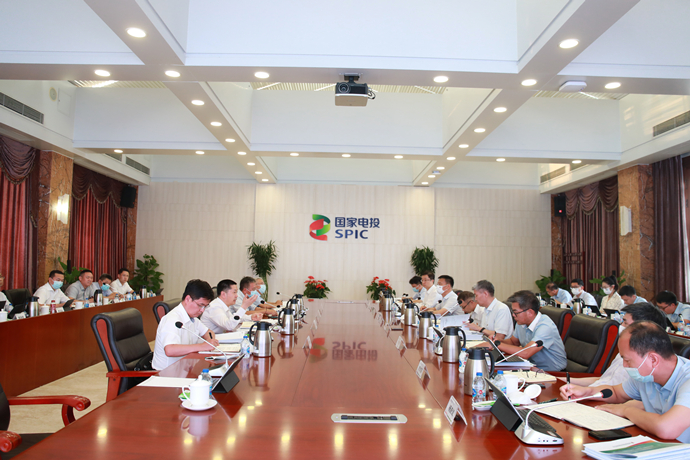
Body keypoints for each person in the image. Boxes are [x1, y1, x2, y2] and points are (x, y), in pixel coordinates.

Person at [560, 321, 690, 443]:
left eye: (627, 360)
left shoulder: (687, 379)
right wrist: (588, 392)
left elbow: (666, 428)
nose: (624, 365)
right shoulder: (647, 374)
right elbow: (617, 393)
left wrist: (626, 410)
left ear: (653, 360)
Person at [566, 302, 667, 387]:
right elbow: (604, 380)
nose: (621, 326)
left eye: (625, 323)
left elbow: (617, 394)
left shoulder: (643, 363)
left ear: (643, 329)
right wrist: (564, 380)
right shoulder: (625, 351)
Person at [152, 279, 220, 370]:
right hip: (166, 373)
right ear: (188, 299)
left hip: (185, 368)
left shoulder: (192, 318)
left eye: (205, 306)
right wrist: (202, 346)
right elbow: (170, 350)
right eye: (200, 305)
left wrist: (210, 341)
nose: (202, 310)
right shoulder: (172, 319)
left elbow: (208, 332)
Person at [492, 290, 567, 372]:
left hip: (553, 372)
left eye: (516, 312)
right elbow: (513, 342)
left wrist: (496, 345)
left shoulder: (545, 326)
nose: (513, 315)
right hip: (531, 367)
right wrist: (496, 341)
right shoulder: (521, 322)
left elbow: (526, 353)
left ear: (530, 312)